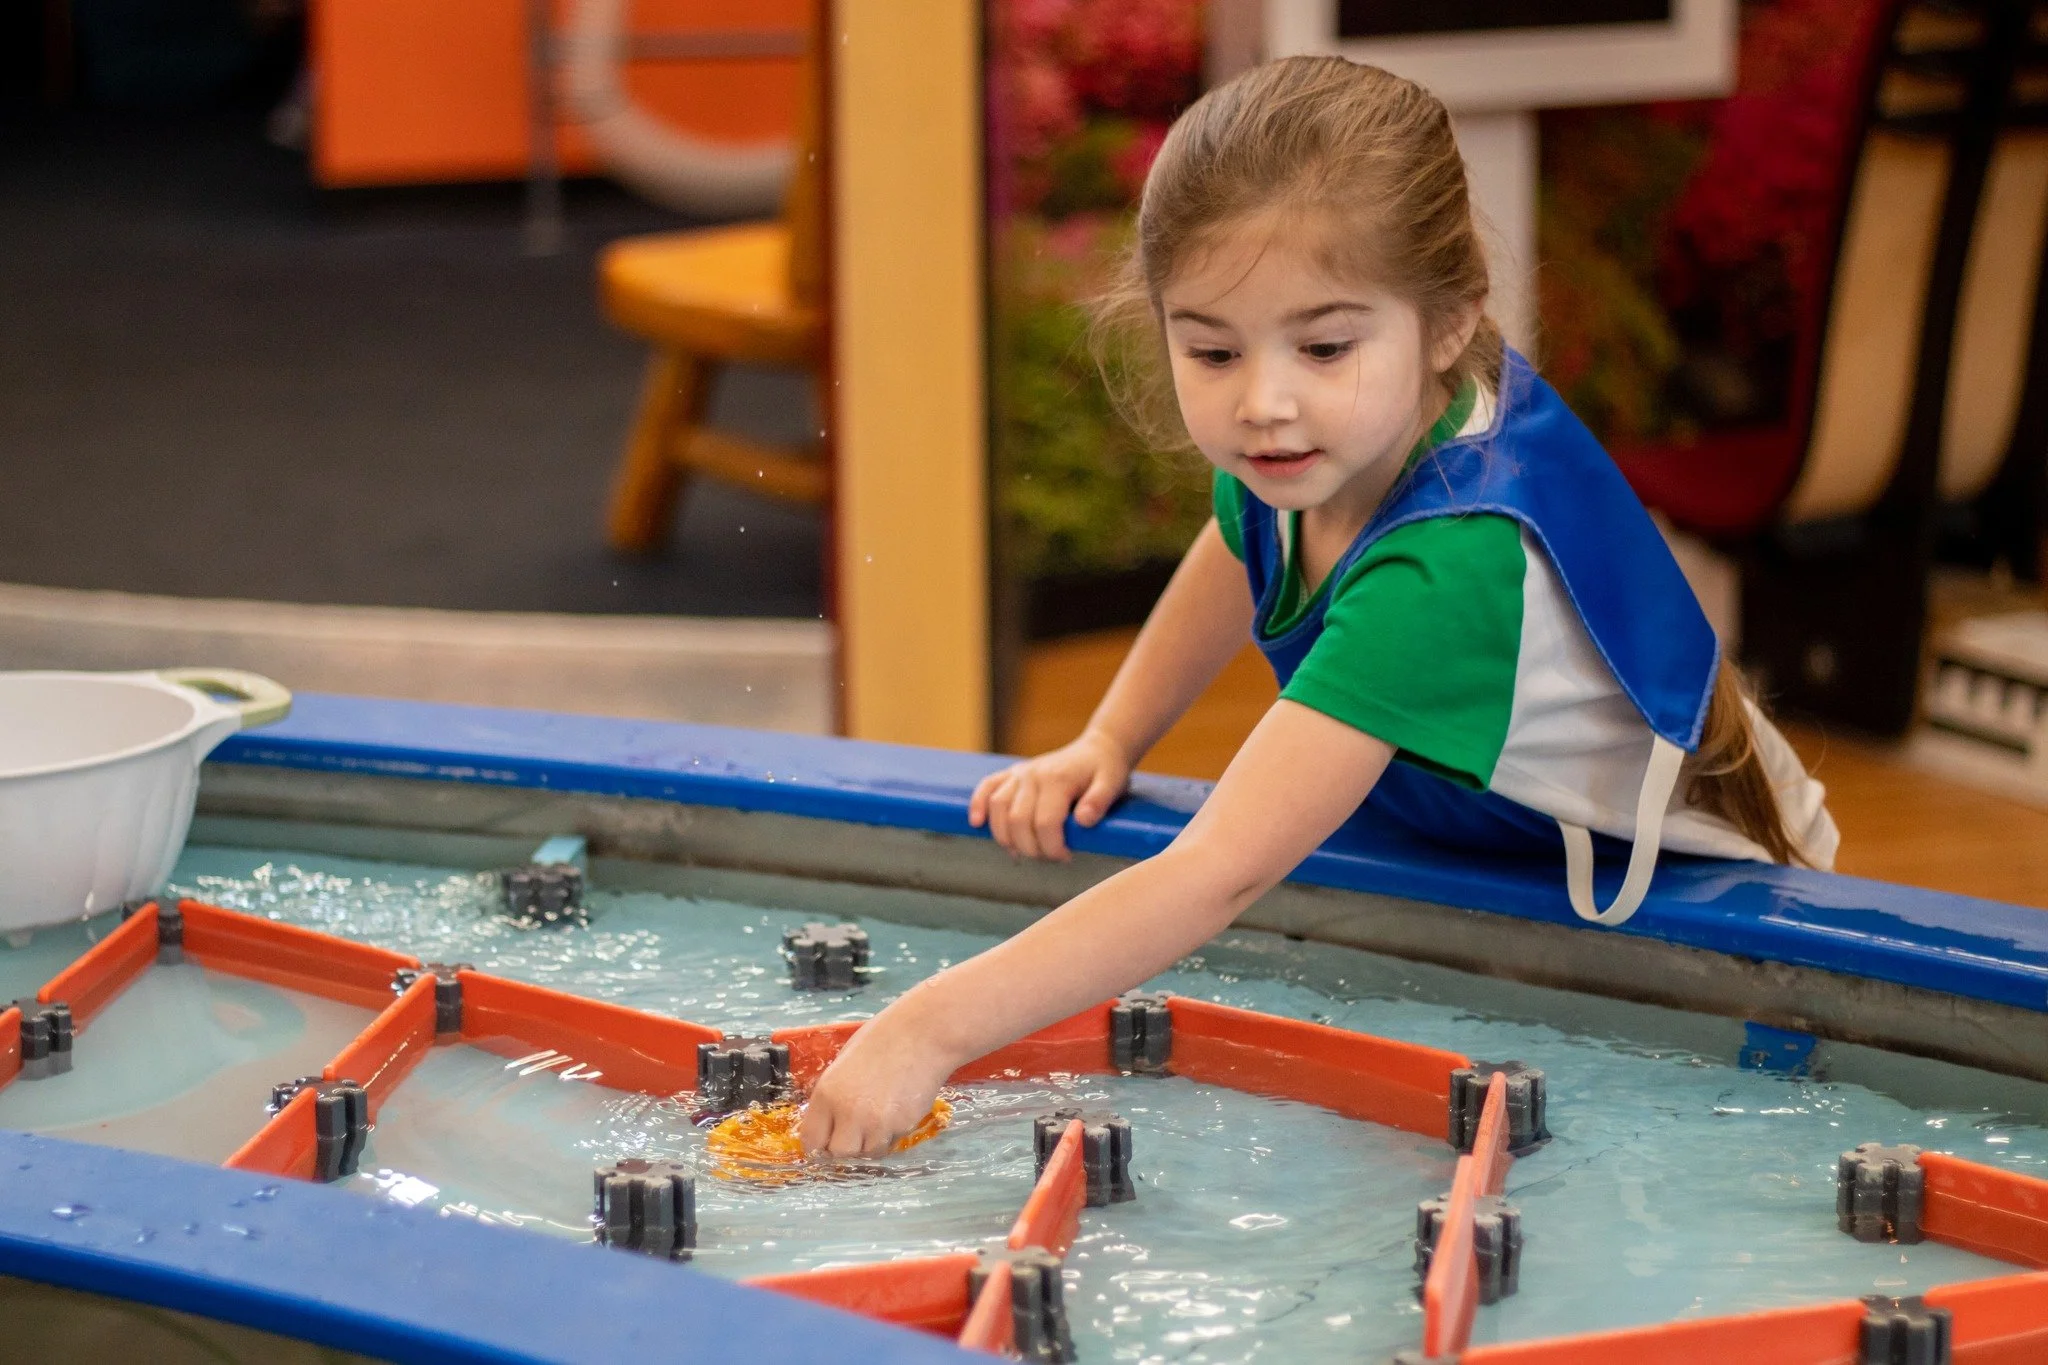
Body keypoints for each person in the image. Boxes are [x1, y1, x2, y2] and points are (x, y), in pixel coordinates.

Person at [799, 56, 1837, 1156]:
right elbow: (1231, 541)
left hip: (1712, 910)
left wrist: (920, 1032)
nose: (1262, 401)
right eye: (1210, 349)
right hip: (1507, 849)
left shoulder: (1448, 569)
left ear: (1446, 325)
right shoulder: (1328, 441)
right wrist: (1112, 735)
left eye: (1323, 345)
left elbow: (1216, 872)